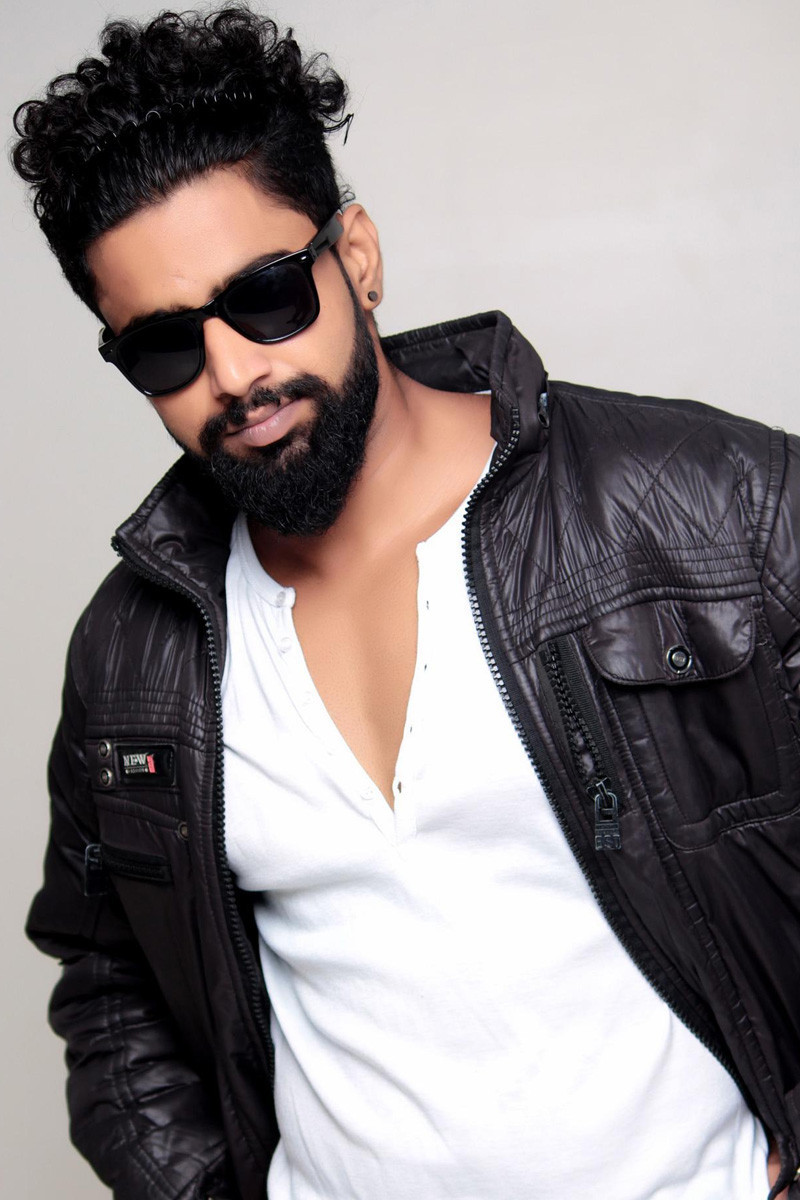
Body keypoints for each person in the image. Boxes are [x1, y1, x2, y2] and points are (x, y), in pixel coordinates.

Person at [11, 7, 800, 1200]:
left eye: (266, 296)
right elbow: (110, 982)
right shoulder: (134, 653)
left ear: (357, 257)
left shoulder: (713, 507)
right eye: (164, 347)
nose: (233, 375)